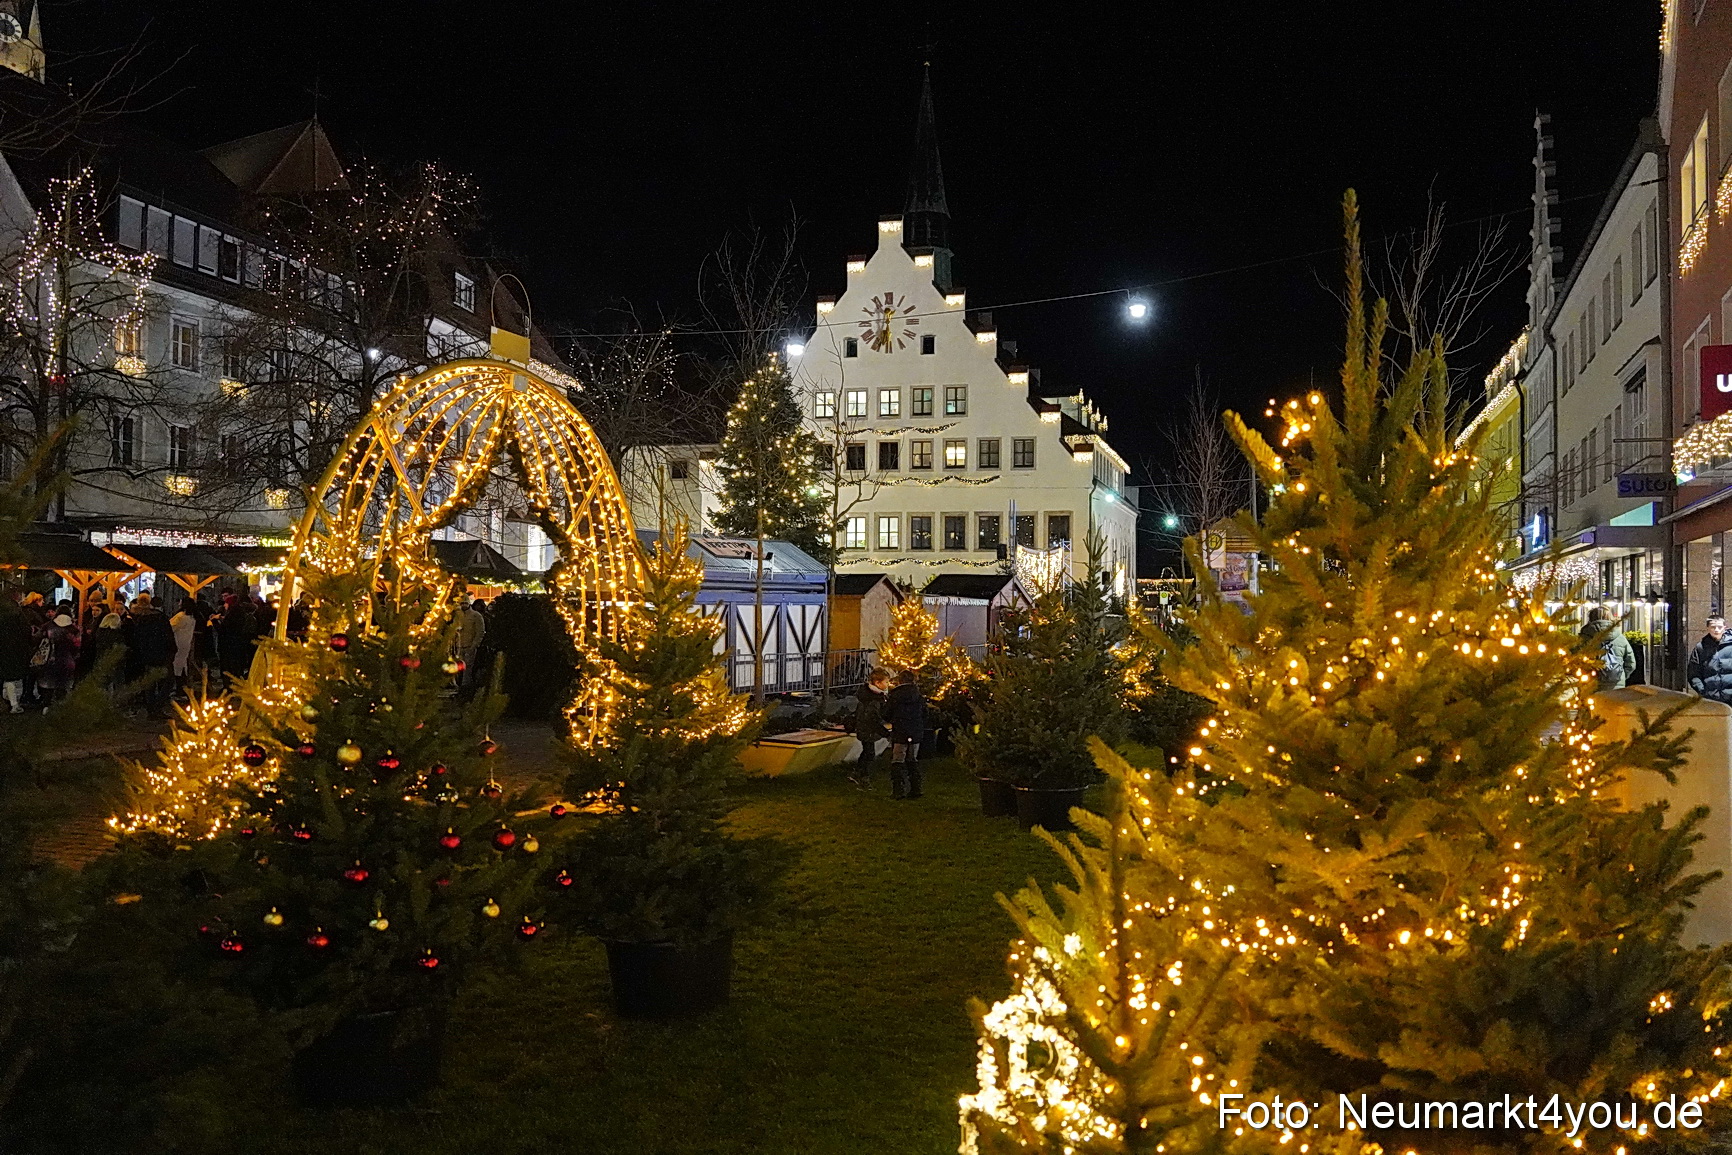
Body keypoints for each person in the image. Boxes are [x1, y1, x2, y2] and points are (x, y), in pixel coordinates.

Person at [124, 594, 177, 716]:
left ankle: (151, 707)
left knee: (150, 683)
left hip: (146, 655)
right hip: (161, 654)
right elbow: (168, 636)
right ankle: (156, 706)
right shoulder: (160, 618)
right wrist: (172, 651)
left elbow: (137, 638)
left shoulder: (139, 619)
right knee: (168, 681)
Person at [884, 669, 928, 800]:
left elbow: (886, 714)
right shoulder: (918, 696)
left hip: (900, 731)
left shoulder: (895, 696)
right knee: (912, 759)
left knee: (898, 760)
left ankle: (898, 790)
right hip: (915, 732)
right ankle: (916, 789)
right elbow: (925, 714)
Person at [848, 668, 891, 788]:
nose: (888, 684)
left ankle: (857, 772)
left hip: (865, 728)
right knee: (869, 753)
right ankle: (863, 778)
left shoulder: (874, 696)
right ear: (878, 683)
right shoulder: (872, 699)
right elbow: (873, 720)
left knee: (867, 752)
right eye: (886, 682)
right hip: (867, 729)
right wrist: (886, 733)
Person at [1581, 605, 1637, 691]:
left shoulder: (1583, 638)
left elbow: (1574, 661)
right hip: (1616, 686)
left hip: (1590, 685)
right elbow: (1631, 663)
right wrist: (1621, 676)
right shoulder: (1620, 638)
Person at [1688, 615, 1732, 704]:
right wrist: (1703, 691)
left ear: (1724, 627)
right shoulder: (1700, 648)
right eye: (1713, 627)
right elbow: (1693, 673)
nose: (1716, 630)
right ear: (1708, 628)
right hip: (1711, 698)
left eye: (1719, 627)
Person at [0, 592, 32, 712]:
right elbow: (27, 630)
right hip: (15, 650)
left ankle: (7, 701)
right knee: (11, 677)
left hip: (3, 648)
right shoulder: (18, 615)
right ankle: (14, 704)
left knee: (6, 677)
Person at [454, 597, 487, 686]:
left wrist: (475, 645)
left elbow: (480, 631)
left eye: (465, 603)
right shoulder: (458, 615)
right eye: (462, 603)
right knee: (458, 667)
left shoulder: (476, 616)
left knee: (468, 668)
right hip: (459, 646)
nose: (463, 605)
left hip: (470, 645)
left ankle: (465, 686)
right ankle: (459, 685)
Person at [169, 596, 198, 692]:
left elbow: (170, 627)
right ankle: (182, 686)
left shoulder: (180, 616)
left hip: (177, 642)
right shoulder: (192, 617)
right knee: (182, 664)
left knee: (175, 665)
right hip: (186, 643)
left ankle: (178, 687)